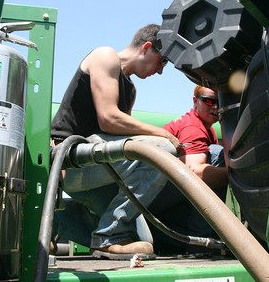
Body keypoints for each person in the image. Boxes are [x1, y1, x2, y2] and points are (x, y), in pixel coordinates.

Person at [51, 24, 180, 259]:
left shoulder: (130, 90)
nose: (161, 71)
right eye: (162, 61)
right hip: (68, 160)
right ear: (147, 47)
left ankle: (54, 220)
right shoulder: (105, 56)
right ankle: (107, 237)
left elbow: (122, 140)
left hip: (97, 167)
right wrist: (159, 133)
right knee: (163, 149)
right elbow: (109, 119)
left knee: (143, 241)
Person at [147, 84, 228, 253]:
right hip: (147, 194)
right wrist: (237, 174)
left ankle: (187, 240)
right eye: (208, 101)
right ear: (195, 102)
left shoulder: (208, 129)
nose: (215, 107)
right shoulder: (193, 127)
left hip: (155, 194)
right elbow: (195, 173)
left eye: (219, 102)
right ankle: (201, 242)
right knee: (217, 156)